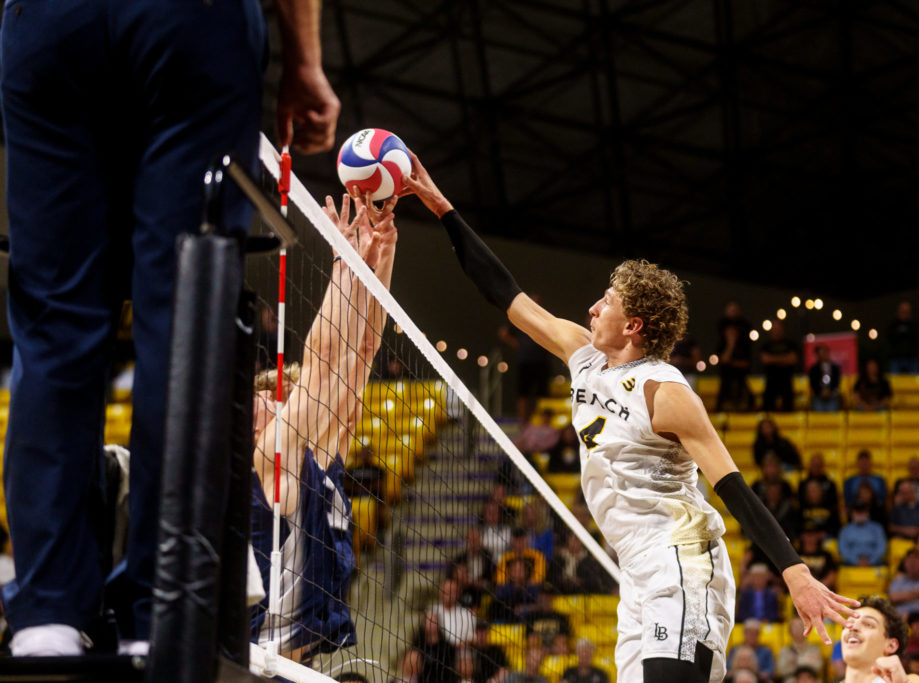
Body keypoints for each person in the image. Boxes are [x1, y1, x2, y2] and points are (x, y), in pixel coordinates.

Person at [401, 154, 858, 683]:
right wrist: (441, 208)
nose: (592, 308)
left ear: (633, 324)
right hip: (637, 571)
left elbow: (733, 487)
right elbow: (504, 293)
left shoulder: (665, 393)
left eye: (607, 302)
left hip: (682, 558)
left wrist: (795, 574)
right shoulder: (581, 354)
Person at [0, 0, 340, 656]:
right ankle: (158, 612)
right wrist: (304, 59)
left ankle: (45, 614)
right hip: (189, 20)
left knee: (51, 323)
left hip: (47, 23)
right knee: (182, 322)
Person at [249, 194, 397, 659]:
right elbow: (325, 362)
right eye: (281, 399)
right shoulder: (271, 457)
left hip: (295, 656)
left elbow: (362, 353)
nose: (298, 404)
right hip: (261, 656)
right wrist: (342, 261)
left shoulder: (314, 460)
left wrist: (377, 255)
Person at [839, 595, 919, 683]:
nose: (853, 627)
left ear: (891, 645)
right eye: (849, 623)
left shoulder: (912, 681)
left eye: (868, 624)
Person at [498, 306, 552, 427]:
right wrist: (519, 345)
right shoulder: (520, 319)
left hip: (542, 362)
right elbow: (503, 332)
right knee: (523, 394)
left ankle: (540, 423)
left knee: (541, 395)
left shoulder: (546, 319)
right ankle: (524, 425)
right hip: (525, 362)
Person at [760, 321, 800, 412]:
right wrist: (784, 359)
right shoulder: (766, 345)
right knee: (768, 410)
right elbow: (765, 359)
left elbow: (793, 359)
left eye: (778, 328)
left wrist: (773, 359)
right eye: (775, 329)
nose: (776, 331)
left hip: (786, 381)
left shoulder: (790, 344)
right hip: (770, 382)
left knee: (788, 409)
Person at [776, 617, 824, 683]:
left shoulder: (814, 649)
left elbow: (817, 666)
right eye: (795, 627)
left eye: (801, 626)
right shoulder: (784, 651)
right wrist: (805, 660)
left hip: (811, 678)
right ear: (790, 631)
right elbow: (783, 670)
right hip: (792, 679)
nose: (798, 629)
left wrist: (795, 661)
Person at [838, 502, 887, 566]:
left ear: (867, 513)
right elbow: (843, 549)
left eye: (862, 512)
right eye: (857, 512)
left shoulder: (877, 528)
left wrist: (871, 560)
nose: (859, 515)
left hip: (873, 562)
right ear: (852, 514)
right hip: (851, 563)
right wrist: (856, 561)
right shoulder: (845, 530)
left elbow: (881, 547)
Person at [887, 301, 919, 375]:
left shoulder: (915, 325)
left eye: (907, 311)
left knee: (914, 381)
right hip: (896, 359)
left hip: (912, 359)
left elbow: (917, 337)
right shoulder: (893, 325)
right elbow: (890, 338)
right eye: (902, 311)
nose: (904, 313)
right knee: (895, 382)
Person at [808, 345, 842, 412]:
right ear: (817, 355)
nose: (823, 355)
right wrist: (821, 392)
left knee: (832, 409)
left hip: (832, 395)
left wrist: (830, 391)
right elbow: (813, 383)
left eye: (825, 352)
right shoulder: (813, 369)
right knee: (818, 409)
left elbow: (837, 382)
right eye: (820, 353)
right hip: (818, 396)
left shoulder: (835, 368)